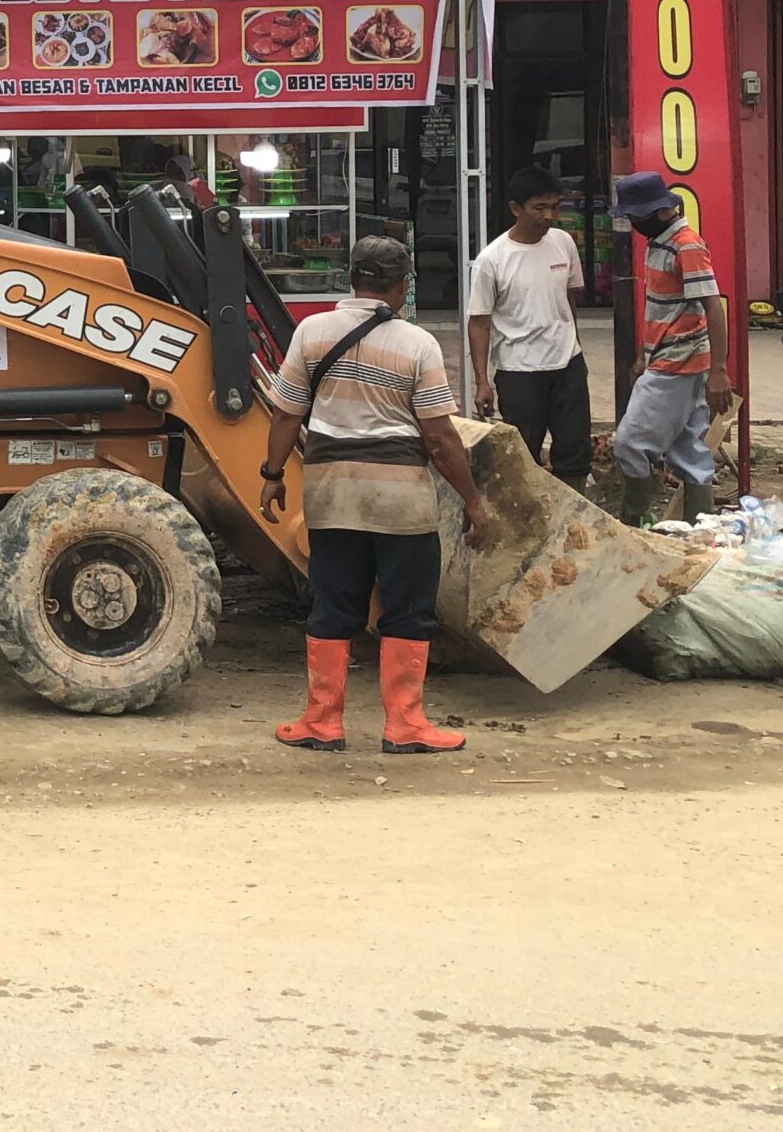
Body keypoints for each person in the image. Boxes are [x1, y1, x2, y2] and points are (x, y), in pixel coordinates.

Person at [258, 235, 491, 757]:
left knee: (333, 603)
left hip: (331, 494)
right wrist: (473, 499)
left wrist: (272, 474)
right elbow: (438, 436)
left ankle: (322, 721)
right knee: (408, 609)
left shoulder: (311, 332)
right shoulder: (417, 344)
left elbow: (285, 413)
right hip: (400, 502)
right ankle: (405, 725)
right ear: (402, 286)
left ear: (350, 280)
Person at [609, 171, 735, 524]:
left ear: (660, 211)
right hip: (671, 358)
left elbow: (712, 305)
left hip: (678, 361)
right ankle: (700, 527)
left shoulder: (685, 245)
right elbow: (660, 306)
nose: (633, 223)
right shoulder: (660, 241)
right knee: (689, 449)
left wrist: (719, 370)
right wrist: (643, 355)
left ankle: (635, 519)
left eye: (636, 216)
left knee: (629, 443)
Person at [468, 166, 590, 488]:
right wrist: (482, 382)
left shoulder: (563, 243)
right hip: (518, 370)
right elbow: (479, 322)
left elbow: (569, 298)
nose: (549, 215)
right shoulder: (491, 260)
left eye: (555, 207)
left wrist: (576, 349)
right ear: (515, 209)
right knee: (523, 457)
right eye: (539, 207)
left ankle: (574, 526)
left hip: (567, 364)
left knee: (575, 453)